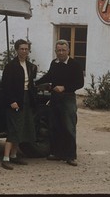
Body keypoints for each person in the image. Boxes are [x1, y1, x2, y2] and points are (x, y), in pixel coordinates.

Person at [35, 39, 84, 167]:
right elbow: (49, 77)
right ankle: (56, 153)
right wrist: (35, 83)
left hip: (68, 98)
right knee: (55, 126)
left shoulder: (75, 65)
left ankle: (71, 156)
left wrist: (65, 87)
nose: (61, 53)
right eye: (59, 50)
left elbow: (80, 83)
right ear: (55, 51)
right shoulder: (54, 63)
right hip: (55, 98)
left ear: (68, 51)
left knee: (69, 127)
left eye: (63, 50)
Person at [1, 39, 37, 170]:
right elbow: (5, 86)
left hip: (26, 99)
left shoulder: (30, 66)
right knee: (13, 128)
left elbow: (31, 84)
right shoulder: (11, 66)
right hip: (15, 100)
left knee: (21, 128)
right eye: (22, 49)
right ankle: (5, 158)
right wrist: (11, 101)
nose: (24, 51)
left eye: (26, 49)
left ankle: (14, 155)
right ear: (16, 50)